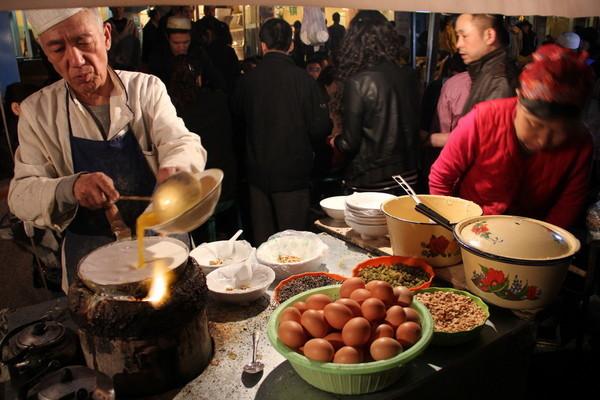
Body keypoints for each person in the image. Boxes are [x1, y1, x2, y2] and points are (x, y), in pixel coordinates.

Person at [9, 8, 207, 292]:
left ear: (105, 36)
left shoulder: (145, 89)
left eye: (83, 41)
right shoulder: (37, 112)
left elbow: (181, 141)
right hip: (88, 259)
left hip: (161, 246)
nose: (75, 60)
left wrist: (177, 166)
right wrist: (70, 188)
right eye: (58, 48)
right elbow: (20, 195)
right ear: (46, 52)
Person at [429, 44, 594, 229]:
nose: (544, 139)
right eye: (534, 124)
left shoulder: (581, 142)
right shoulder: (482, 119)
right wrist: (450, 228)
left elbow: (568, 204)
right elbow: (441, 177)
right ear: (518, 99)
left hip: (532, 236)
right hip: (470, 227)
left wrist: (545, 243)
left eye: (559, 131)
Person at [232, 18, 331, 244]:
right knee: (294, 247)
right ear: (292, 45)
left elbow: (237, 126)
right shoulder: (304, 81)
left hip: (256, 176)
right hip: (293, 176)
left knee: (264, 245)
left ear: (263, 46)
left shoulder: (246, 81)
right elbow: (320, 128)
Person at [329, 10, 420, 191]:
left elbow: (350, 143)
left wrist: (335, 141)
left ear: (354, 42)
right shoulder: (408, 75)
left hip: (372, 179)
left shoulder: (358, 82)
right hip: (409, 175)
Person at [455, 14, 518, 115]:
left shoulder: (498, 81)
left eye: (464, 36)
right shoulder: (485, 72)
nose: (458, 44)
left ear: (489, 36)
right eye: (458, 36)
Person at [148, 16, 225, 90]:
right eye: (176, 43)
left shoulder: (198, 53)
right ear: (167, 39)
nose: (181, 47)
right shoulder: (158, 57)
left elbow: (217, 81)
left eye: (185, 42)